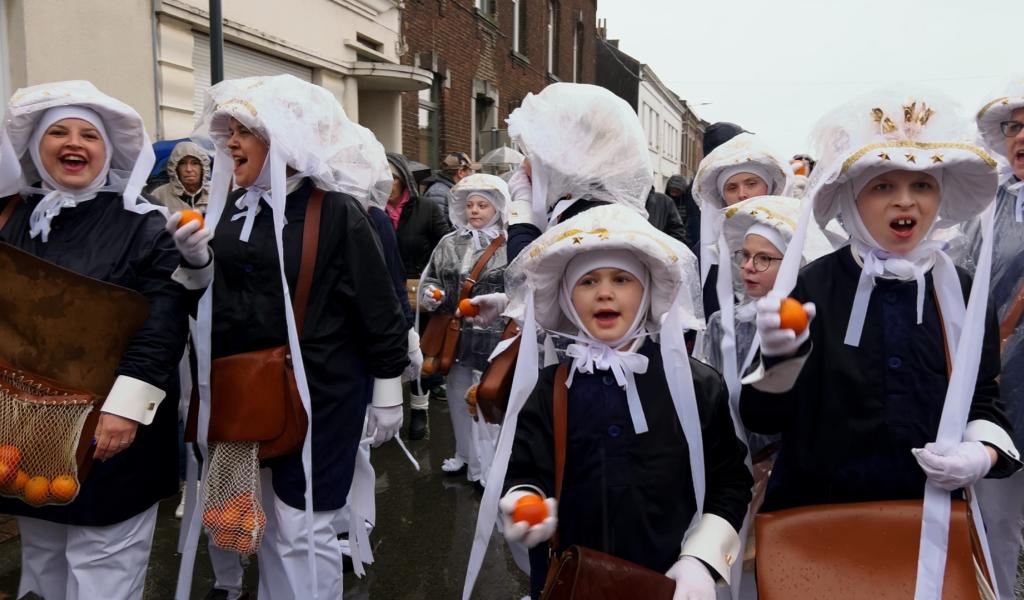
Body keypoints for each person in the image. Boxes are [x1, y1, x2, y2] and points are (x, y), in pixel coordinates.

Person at [740, 90, 1021, 596]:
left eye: (922, 184)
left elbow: (984, 398)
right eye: (883, 185)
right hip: (819, 529)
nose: (906, 200)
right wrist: (779, 367)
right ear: (852, 196)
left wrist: (982, 453)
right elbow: (763, 418)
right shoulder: (812, 286)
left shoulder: (961, 291)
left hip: (929, 529)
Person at [169, 74, 409, 599]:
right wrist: (196, 264)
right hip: (249, 393)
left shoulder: (335, 210)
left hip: (321, 395)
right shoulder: (229, 209)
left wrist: (388, 387)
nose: (230, 142)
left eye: (244, 131)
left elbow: (379, 307)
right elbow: (218, 303)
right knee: (270, 524)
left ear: (284, 139)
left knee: (303, 526)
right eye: (229, 132)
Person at [463, 204, 751, 599]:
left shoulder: (696, 385)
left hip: (668, 581)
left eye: (621, 279)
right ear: (567, 297)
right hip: (573, 579)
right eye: (587, 281)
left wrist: (702, 559)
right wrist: (524, 500)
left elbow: (730, 481)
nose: (604, 292)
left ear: (647, 291)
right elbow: (525, 469)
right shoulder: (550, 389)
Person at [0, 80, 188, 600]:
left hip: (111, 429)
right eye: (58, 132)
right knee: (41, 561)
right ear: (36, 146)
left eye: (88, 135)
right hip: (26, 426)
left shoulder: (145, 226)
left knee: (103, 565)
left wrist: (125, 409)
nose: (73, 143)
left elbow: (163, 323)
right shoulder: (14, 220)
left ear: (107, 151)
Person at [968, 75, 1024, 599]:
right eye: (1014, 127)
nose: (1021, 136)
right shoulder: (988, 208)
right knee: (995, 528)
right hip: (1001, 393)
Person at [419, 173, 509, 484]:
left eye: (482, 205)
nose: (474, 211)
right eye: (470, 205)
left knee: (486, 398)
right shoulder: (449, 242)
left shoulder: (509, 245)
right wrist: (432, 294)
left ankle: (488, 466)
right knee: (458, 397)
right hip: (455, 335)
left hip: (493, 335)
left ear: (497, 208)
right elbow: (433, 278)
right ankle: (465, 454)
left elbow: (518, 288)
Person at [386, 151, 452, 439]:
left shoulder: (426, 208)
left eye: (392, 178)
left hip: (418, 294)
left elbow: (446, 245)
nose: (387, 183)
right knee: (389, 353)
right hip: (385, 294)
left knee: (419, 353)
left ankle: (419, 410)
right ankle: (389, 412)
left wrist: (431, 279)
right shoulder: (371, 209)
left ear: (403, 180)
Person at [692, 133, 792, 320]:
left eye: (751, 184)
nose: (742, 194)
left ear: (768, 187)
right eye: (732, 188)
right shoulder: (705, 251)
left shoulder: (791, 238)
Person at [149, 140, 211, 212]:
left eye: (195, 163)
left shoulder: (215, 194)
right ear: (175, 167)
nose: (189, 169)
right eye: (182, 163)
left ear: (203, 167)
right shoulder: (159, 195)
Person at [421, 151, 480, 224]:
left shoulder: (451, 190)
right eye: (470, 171)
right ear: (461, 172)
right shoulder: (439, 192)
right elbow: (439, 225)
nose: (471, 175)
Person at [665, 175, 699, 253]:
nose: (674, 193)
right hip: (669, 240)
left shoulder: (689, 205)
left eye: (677, 190)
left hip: (685, 241)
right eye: (672, 190)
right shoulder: (665, 202)